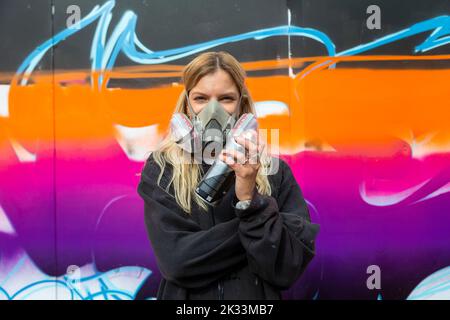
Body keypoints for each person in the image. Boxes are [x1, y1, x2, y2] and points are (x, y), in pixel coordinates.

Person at [137, 51, 320, 300]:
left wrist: (248, 198)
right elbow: (178, 263)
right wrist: (263, 222)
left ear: (242, 108)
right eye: (200, 98)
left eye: (226, 99)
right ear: (187, 108)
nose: (212, 110)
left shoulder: (276, 173)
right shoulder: (162, 170)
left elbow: (286, 267)